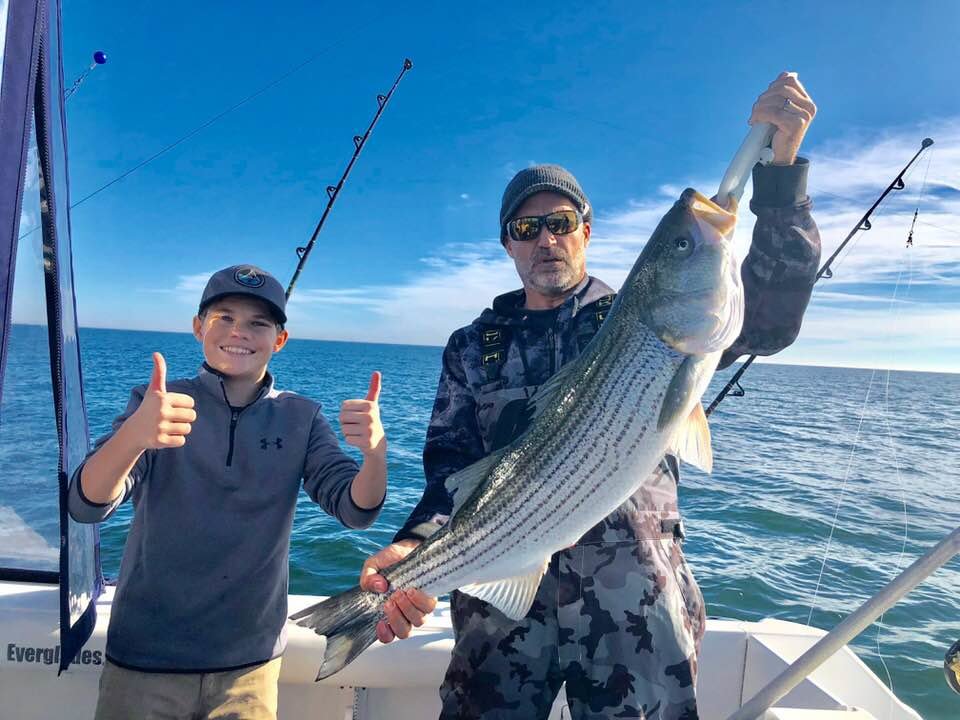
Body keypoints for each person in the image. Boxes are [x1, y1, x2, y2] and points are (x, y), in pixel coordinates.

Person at [359, 72, 821, 719]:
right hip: (499, 611)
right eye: (526, 228)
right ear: (508, 244)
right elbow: (448, 474)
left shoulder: (633, 318)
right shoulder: (473, 344)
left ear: (586, 229)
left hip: (633, 603)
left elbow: (769, 319)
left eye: (560, 221)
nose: (545, 239)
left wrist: (782, 169)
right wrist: (413, 550)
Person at [68, 264, 388, 720]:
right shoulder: (157, 403)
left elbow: (355, 509)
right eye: (224, 317)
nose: (240, 332)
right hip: (143, 656)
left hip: (250, 665)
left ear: (280, 340)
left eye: (259, 323)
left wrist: (375, 454)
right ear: (199, 327)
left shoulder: (302, 417)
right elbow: (87, 504)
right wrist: (133, 438)